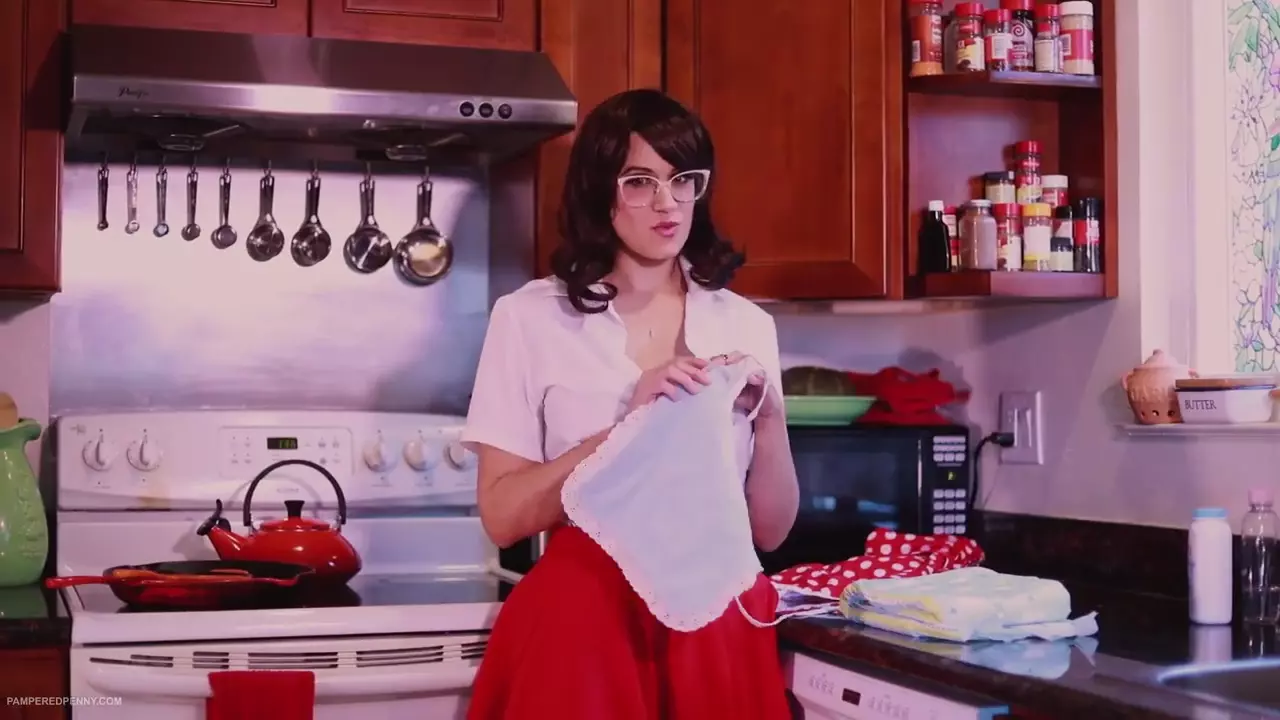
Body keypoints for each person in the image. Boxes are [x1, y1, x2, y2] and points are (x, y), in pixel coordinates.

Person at [460, 88, 800, 720]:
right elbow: (503, 517)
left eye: (683, 180)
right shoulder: (529, 318)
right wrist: (628, 429)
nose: (668, 203)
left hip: (719, 625)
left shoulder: (747, 325)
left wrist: (772, 417)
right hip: (583, 624)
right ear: (600, 191)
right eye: (640, 182)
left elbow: (770, 531)